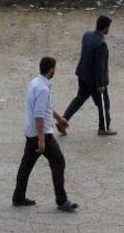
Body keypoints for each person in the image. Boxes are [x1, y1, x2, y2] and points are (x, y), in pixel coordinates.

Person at [13, 56, 78, 212]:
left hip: (31, 132)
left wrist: (59, 118)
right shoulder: (43, 89)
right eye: (54, 68)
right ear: (50, 70)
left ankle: (18, 197)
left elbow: (47, 107)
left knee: (26, 165)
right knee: (58, 162)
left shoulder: (35, 83)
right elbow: (39, 115)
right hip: (41, 134)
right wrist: (42, 140)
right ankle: (61, 201)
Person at [62, 15, 115, 136]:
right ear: (105, 28)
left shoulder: (87, 35)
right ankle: (104, 128)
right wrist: (100, 84)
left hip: (82, 75)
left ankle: (63, 120)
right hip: (94, 80)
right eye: (108, 27)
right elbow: (99, 67)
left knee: (79, 98)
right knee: (103, 103)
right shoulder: (101, 44)